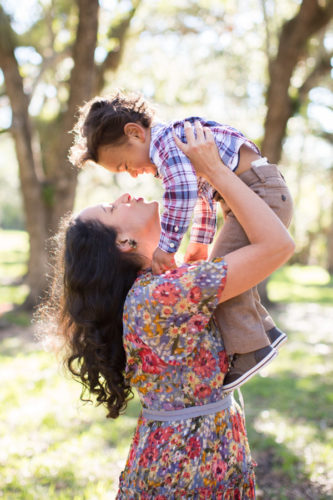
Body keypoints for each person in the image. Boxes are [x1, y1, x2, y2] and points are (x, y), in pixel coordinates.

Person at [40, 123, 294, 498]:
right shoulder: (163, 295)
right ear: (124, 242)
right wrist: (217, 170)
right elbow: (277, 245)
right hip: (187, 472)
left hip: (196, 459)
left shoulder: (160, 286)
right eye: (113, 208)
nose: (125, 194)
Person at [69, 91, 294, 391]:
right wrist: (200, 241)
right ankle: (264, 333)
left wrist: (168, 246)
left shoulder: (166, 147)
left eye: (125, 166)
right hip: (259, 189)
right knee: (223, 269)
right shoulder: (174, 145)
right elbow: (203, 196)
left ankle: (251, 351)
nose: (133, 177)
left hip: (259, 192)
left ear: (135, 133)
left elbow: (185, 194)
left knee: (222, 271)